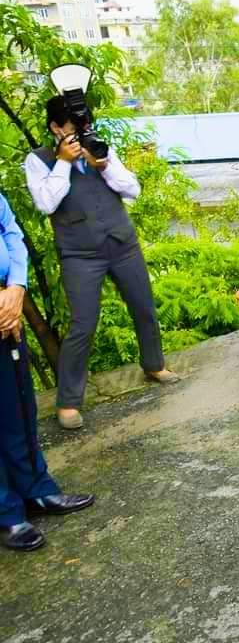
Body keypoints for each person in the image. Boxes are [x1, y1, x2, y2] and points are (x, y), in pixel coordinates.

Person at [24, 97, 178, 431]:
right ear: (55, 128)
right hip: (79, 255)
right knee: (82, 325)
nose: (81, 134)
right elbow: (46, 204)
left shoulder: (101, 149)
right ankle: (68, 402)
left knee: (144, 308)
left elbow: (132, 189)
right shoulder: (38, 160)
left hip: (122, 243)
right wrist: (64, 162)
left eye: (84, 127)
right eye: (72, 128)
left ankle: (154, 365)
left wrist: (105, 165)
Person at [0, 191, 94, 552]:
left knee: (19, 407)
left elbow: (10, 231)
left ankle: (36, 489)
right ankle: (7, 512)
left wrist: (16, 288)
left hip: (7, 302)